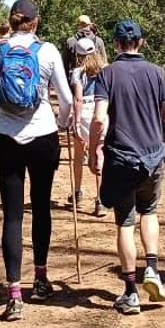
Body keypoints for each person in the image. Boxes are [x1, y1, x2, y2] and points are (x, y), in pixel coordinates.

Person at [0, 0, 73, 321]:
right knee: (41, 206)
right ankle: (41, 280)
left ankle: (14, 294)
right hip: (42, 137)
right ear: (36, 22)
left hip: (5, 137)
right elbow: (68, 99)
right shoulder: (47, 52)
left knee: (13, 216)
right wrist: (60, 122)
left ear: (11, 20)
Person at [89, 19, 165, 315]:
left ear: (115, 44)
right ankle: (151, 268)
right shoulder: (157, 73)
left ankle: (130, 292)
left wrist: (93, 151)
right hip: (153, 156)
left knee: (125, 222)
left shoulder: (107, 74)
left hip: (121, 158)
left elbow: (100, 118)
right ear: (141, 42)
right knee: (149, 212)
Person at [70, 37, 108, 215]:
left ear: (78, 55)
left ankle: (77, 192)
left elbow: (78, 98)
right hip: (101, 111)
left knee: (79, 154)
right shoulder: (105, 70)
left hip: (84, 112)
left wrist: (76, 122)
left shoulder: (78, 72)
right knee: (99, 154)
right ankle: (100, 200)